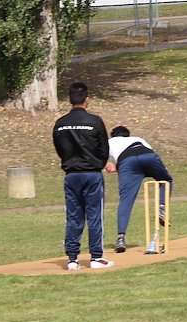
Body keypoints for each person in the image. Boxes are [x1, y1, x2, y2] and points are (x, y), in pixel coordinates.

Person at [53, 82, 114, 270]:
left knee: (73, 216)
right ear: (86, 100)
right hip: (92, 174)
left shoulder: (60, 123)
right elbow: (104, 149)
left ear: (70, 100)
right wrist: (98, 162)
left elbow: (59, 149)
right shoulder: (94, 121)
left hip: (71, 175)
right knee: (95, 215)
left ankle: (72, 259)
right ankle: (96, 257)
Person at [105, 126, 173, 253]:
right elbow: (148, 155)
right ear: (127, 135)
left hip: (127, 161)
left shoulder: (110, 142)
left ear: (113, 136)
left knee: (126, 199)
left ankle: (120, 238)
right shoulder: (137, 139)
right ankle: (162, 207)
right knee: (165, 180)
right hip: (147, 155)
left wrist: (107, 164)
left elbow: (97, 154)